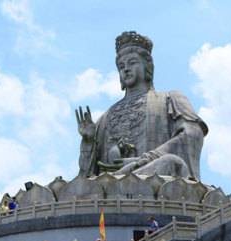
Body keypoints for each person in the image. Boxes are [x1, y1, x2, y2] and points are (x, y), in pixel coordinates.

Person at [76, 31, 208, 179]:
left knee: (171, 162)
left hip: (152, 178)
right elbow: (87, 174)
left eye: (132, 63)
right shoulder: (106, 117)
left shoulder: (171, 98)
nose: (125, 69)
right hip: (110, 184)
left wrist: (145, 159)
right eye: (121, 66)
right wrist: (88, 142)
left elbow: (193, 134)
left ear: (148, 67)